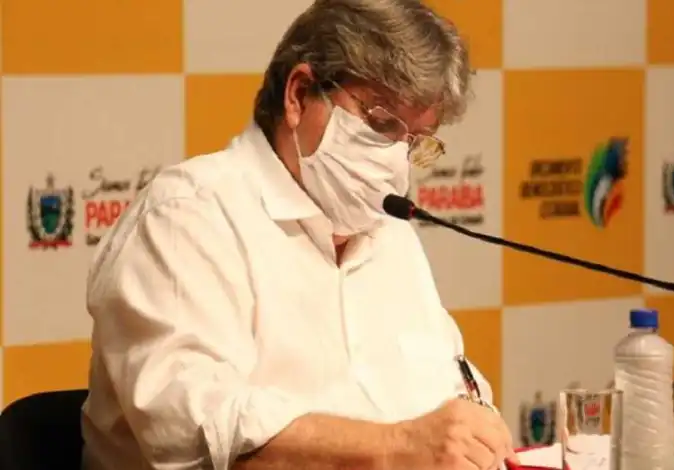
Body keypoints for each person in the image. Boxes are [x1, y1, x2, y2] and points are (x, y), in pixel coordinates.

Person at [82, 0, 519, 469]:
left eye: (414, 141)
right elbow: (192, 432)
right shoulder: (186, 216)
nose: (397, 163)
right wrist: (395, 447)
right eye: (380, 123)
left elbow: (450, 389)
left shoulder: (389, 233)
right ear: (299, 94)